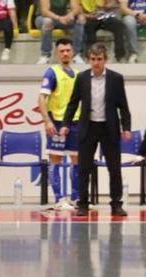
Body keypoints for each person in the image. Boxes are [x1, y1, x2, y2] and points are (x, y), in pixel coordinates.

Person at [63, 42, 131, 217]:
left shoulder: (116, 78)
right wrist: (65, 124)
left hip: (109, 127)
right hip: (88, 127)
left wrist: (127, 127)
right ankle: (83, 204)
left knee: (114, 169)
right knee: (84, 168)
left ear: (105, 60)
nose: (96, 63)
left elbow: (123, 106)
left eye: (99, 59)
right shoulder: (82, 78)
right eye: (92, 59)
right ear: (88, 60)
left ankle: (116, 204)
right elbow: (72, 103)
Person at [39, 38, 81, 211]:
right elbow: (42, 98)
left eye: (68, 50)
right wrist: (47, 121)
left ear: (72, 52)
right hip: (56, 121)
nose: (65, 53)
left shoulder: (77, 73)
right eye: (62, 50)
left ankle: (76, 198)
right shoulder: (52, 72)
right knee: (56, 159)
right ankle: (58, 199)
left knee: (77, 159)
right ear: (57, 53)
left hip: (75, 122)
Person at [34, 0, 85, 64]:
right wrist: (59, 18)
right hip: (43, 18)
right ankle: (45, 55)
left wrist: (70, 15)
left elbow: (76, 8)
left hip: (62, 18)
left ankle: (76, 54)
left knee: (80, 19)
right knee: (48, 22)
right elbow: (45, 11)